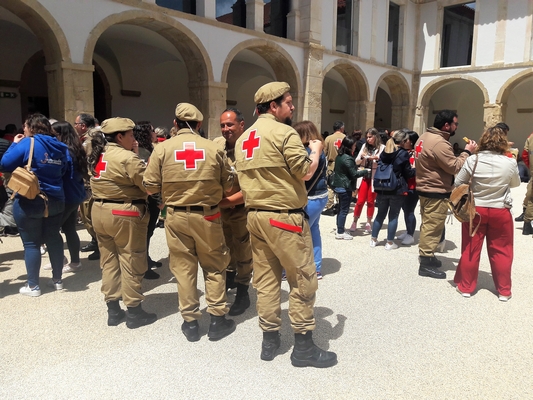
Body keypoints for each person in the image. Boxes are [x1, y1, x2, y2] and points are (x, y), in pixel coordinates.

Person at [234, 81, 337, 368]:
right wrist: (315, 149)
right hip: (284, 217)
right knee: (302, 278)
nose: (292, 108)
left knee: (266, 281)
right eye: (288, 103)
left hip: (255, 216)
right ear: (273, 106)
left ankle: (269, 341)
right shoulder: (284, 133)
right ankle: (303, 348)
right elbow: (305, 172)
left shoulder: (244, 139)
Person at [143, 103, 236, 342]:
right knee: (214, 266)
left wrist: (166, 198)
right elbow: (229, 186)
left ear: (175, 123)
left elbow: (150, 186)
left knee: (184, 269)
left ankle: (191, 323)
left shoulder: (162, 149)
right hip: (208, 215)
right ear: (200, 124)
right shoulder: (213, 148)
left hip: (175, 216)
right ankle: (217, 320)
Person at [87, 117, 157, 329]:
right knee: (131, 259)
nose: (134, 139)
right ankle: (134, 311)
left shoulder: (98, 153)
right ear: (120, 136)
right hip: (123, 212)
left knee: (108, 261)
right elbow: (149, 186)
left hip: (99, 211)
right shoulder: (128, 158)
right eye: (131, 135)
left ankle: (113, 310)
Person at [1, 113, 70, 296]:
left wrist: (14, 144)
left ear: (31, 128)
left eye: (24, 126)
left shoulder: (28, 142)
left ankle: (33, 286)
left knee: (31, 243)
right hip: (56, 199)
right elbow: (65, 170)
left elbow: (5, 164)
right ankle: (57, 280)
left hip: (30, 200)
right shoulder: (61, 146)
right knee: (54, 238)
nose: (23, 130)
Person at [453, 126, 520, 300]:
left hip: (476, 209)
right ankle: (504, 291)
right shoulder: (510, 161)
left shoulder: (473, 160)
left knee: (471, 248)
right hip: (500, 209)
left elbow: (458, 182)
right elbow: (515, 184)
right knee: (502, 250)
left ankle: (466, 287)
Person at [414, 110, 477, 279]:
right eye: (456, 124)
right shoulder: (439, 142)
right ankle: (425, 263)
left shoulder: (424, 136)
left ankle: (429, 256)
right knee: (433, 226)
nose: (457, 127)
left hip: (425, 187)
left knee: (429, 223)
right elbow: (454, 166)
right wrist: (467, 152)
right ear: (447, 125)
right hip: (435, 189)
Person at [214, 108, 253, 315]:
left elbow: (253, 187)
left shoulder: (250, 147)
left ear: (241, 125)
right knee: (225, 246)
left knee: (243, 250)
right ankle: (230, 277)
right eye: (222, 125)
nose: (225, 129)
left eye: (230, 124)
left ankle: (243, 291)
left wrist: (224, 202)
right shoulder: (216, 145)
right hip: (222, 210)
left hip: (241, 210)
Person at [43, 121, 87, 273]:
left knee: (51, 230)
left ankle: (61, 260)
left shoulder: (65, 151)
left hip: (67, 195)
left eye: (53, 134)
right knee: (69, 229)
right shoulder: (76, 149)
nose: (51, 137)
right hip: (75, 194)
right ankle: (73, 262)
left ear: (61, 135)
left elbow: (63, 172)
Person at [370, 131, 415, 250]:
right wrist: (416, 170)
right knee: (393, 216)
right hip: (396, 188)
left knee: (380, 214)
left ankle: (373, 239)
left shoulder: (385, 152)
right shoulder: (403, 153)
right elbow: (408, 173)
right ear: (403, 141)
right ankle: (389, 242)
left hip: (382, 187)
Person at [293, 120, 328, 278]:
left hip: (310, 197)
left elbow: (305, 174)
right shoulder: (319, 148)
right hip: (320, 195)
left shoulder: (309, 151)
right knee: (314, 231)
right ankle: (317, 267)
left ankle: (293, 269)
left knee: (298, 235)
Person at [133, 123, 162, 280]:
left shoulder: (149, 149)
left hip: (151, 197)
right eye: (152, 130)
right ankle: (143, 265)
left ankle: (146, 258)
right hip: (147, 198)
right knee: (145, 231)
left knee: (149, 231)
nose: (155, 132)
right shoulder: (142, 152)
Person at [331, 136, 370, 240]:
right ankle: (340, 232)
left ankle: (340, 228)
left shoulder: (339, 156)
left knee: (341, 209)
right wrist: (365, 171)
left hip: (339, 185)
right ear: (349, 146)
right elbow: (354, 174)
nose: (355, 147)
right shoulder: (348, 158)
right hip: (345, 187)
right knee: (344, 210)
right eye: (354, 145)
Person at [76, 113, 100, 261]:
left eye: (76, 124)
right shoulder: (92, 137)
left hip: (89, 182)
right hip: (90, 181)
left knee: (89, 216)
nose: (75, 127)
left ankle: (99, 245)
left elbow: (89, 161)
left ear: (83, 126)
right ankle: (95, 242)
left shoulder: (89, 140)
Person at [351, 128, 384, 232]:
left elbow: (383, 160)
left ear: (375, 136)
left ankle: (369, 222)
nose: (368, 139)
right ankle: (355, 221)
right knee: (360, 201)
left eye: (370, 137)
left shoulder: (382, 147)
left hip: (374, 177)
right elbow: (356, 161)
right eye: (367, 137)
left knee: (370, 201)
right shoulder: (364, 146)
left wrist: (375, 158)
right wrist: (361, 157)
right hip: (364, 176)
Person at [395, 130, 419, 245]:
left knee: (409, 210)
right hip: (404, 184)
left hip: (413, 185)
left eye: (407, 139)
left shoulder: (416, 153)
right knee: (405, 209)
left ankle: (410, 234)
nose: (404, 141)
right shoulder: (405, 152)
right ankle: (408, 230)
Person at [321, 121, 346, 216]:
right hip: (343, 163)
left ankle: (330, 207)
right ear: (342, 128)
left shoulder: (328, 138)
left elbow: (324, 152)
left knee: (330, 185)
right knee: (341, 185)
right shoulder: (345, 137)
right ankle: (340, 205)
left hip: (332, 163)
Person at [520, 132, 533, 235]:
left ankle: (527, 224)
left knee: (531, 197)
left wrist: (531, 169)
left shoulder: (531, 137)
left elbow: (525, 154)